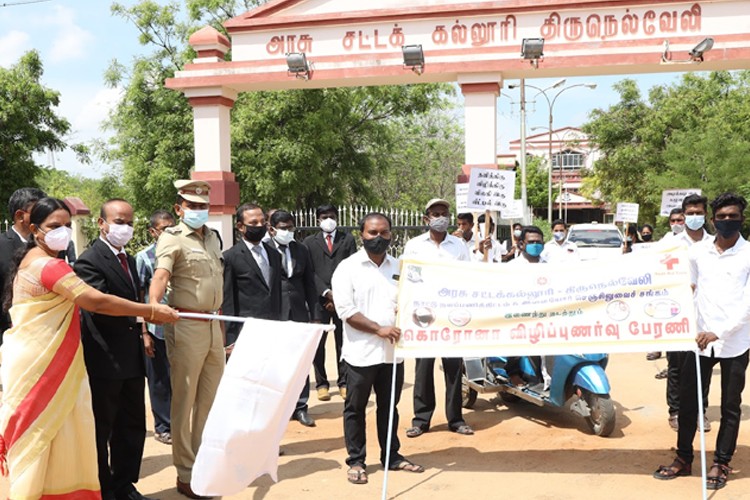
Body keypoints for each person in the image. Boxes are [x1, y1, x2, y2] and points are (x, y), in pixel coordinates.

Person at [0, 197, 177, 499]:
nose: (63, 232)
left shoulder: (32, 257)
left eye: (67, 225)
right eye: (54, 226)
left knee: (57, 433)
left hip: (41, 356)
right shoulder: (49, 265)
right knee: (45, 432)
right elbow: (95, 301)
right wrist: (150, 311)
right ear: (33, 228)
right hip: (44, 362)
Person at [653, 193, 750, 490]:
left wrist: (719, 331)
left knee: (730, 406)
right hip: (697, 342)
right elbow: (688, 290)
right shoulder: (698, 252)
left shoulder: (749, 254)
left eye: (733, 216)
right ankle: (683, 458)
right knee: (689, 403)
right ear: (713, 219)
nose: (727, 221)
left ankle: (721, 462)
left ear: (742, 219)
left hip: (735, 342)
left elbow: (748, 304)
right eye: (722, 217)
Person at [332, 212, 424, 485]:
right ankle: (357, 461)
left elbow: (413, 302)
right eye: (372, 233)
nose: (378, 237)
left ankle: (391, 456)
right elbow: (346, 311)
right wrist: (378, 329)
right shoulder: (347, 268)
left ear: (391, 234)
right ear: (361, 234)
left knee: (389, 407)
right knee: (355, 408)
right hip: (361, 353)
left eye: (384, 232)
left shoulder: (401, 268)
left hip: (393, 352)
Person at [149, 180, 225, 499]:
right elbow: (161, 275)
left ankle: (202, 463)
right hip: (186, 323)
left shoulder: (213, 238)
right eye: (192, 206)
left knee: (210, 399)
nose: (198, 211)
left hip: (212, 324)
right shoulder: (172, 238)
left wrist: (219, 326)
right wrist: (154, 305)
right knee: (185, 400)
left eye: (203, 206)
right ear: (180, 208)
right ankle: (185, 472)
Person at [74, 199, 152, 500]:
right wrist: (148, 311)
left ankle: (124, 485)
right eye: (119, 222)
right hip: (105, 357)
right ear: (101, 223)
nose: (126, 228)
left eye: (130, 222)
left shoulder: (128, 260)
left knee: (132, 425)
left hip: (131, 357)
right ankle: (103, 489)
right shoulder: (88, 261)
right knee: (102, 428)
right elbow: (101, 306)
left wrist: (143, 329)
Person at [403, 198, 473, 438]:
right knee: (424, 367)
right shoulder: (414, 245)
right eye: (435, 213)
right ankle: (421, 420)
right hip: (423, 315)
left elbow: (468, 276)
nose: (440, 217)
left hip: (452, 313)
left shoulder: (459, 245)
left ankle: (455, 418)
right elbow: (407, 277)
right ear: (426, 218)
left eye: (444, 213)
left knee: (453, 367)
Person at [661, 194, 713, 432]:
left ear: (705, 215)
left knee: (703, 366)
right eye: (689, 213)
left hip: (706, 315)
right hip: (677, 315)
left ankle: (700, 411)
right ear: (682, 216)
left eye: (698, 213)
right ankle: (676, 411)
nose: (694, 217)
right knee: (676, 367)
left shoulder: (715, 243)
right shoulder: (670, 244)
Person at [268, 209, 320, 427]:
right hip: (274, 313)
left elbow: (310, 282)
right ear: (271, 230)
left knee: (301, 361)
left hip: (299, 311)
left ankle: (301, 406)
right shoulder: (265, 250)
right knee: (275, 363)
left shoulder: (301, 249)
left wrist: (315, 316)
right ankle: (278, 408)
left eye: (290, 227)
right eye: (283, 228)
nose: (288, 232)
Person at [303, 204, 358, 402]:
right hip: (319, 300)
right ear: (318, 219)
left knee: (344, 342)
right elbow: (310, 272)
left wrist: (339, 295)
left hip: (343, 300)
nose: (329, 219)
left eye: (332, 216)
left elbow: (352, 267)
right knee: (318, 344)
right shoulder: (309, 242)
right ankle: (322, 383)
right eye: (325, 216)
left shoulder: (348, 239)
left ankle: (343, 382)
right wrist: (326, 293)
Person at [136, 209, 176, 446]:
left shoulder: (180, 252)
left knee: (179, 378)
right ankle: (163, 426)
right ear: (153, 232)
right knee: (159, 380)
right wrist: (144, 333)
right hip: (155, 329)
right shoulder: (144, 258)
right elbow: (140, 296)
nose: (169, 232)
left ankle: (179, 423)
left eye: (173, 227)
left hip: (180, 327)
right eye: (164, 229)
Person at [0, 187, 46, 342]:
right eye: (40, 213)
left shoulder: (49, 247)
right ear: (20, 216)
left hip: (44, 333)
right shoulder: (2, 246)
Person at [506, 225, 546, 385]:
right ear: (521, 244)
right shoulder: (512, 268)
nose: (535, 245)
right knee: (515, 339)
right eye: (531, 242)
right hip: (520, 314)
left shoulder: (551, 266)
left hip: (544, 313)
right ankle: (513, 372)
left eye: (539, 242)